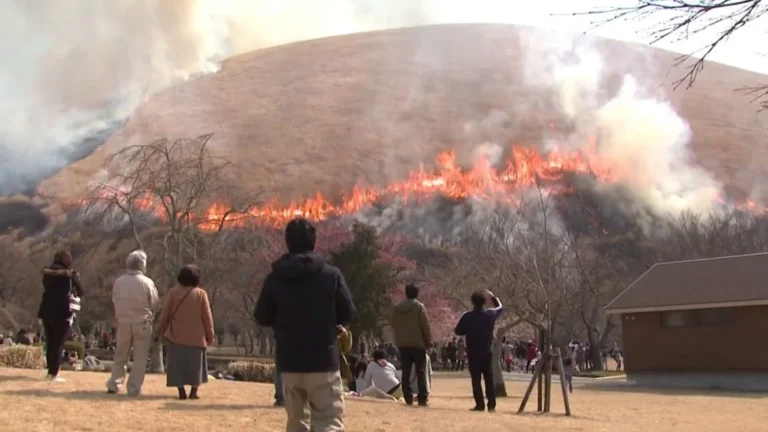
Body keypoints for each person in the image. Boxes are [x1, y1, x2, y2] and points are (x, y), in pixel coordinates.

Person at [254, 218, 356, 432]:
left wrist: (282, 322)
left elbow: (262, 316)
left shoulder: (275, 278)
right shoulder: (331, 275)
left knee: (296, 422)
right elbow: (348, 312)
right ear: (314, 242)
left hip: (289, 360)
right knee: (328, 420)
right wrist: (333, 322)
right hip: (323, 359)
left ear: (287, 242)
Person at [154, 264, 215, 400]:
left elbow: (165, 315)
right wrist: (210, 335)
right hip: (196, 337)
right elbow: (207, 317)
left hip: (176, 335)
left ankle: (181, 391)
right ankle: (194, 391)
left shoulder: (173, 292)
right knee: (196, 366)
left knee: (177, 365)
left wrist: (158, 332)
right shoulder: (201, 294)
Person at [106, 250, 160, 396]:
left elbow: (114, 300)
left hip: (123, 322)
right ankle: (134, 388)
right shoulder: (147, 282)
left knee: (120, 355)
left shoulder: (118, 282)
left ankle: (114, 383)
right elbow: (154, 303)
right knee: (140, 358)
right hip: (142, 322)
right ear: (143, 265)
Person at [38, 250, 84, 383]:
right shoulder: (70, 274)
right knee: (59, 343)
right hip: (63, 310)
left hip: (46, 309)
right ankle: (54, 373)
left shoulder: (47, 273)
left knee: (50, 342)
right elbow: (81, 291)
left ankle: (50, 370)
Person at [454, 289, 503, 412]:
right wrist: (494, 298)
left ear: (472, 301)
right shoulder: (490, 314)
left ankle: (479, 404)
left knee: (476, 380)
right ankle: (491, 405)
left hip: (473, 352)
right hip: (487, 351)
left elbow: (458, 331)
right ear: (484, 302)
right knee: (489, 379)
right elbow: (500, 308)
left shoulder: (467, 316)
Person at [390, 283, 432, 407]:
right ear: (417, 293)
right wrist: (428, 342)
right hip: (418, 343)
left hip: (403, 343)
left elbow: (393, 323)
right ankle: (422, 398)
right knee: (420, 371)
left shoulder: (397, 308)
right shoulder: (419, 307)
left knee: (406, 371)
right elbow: (425, 326)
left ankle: (407, 396)